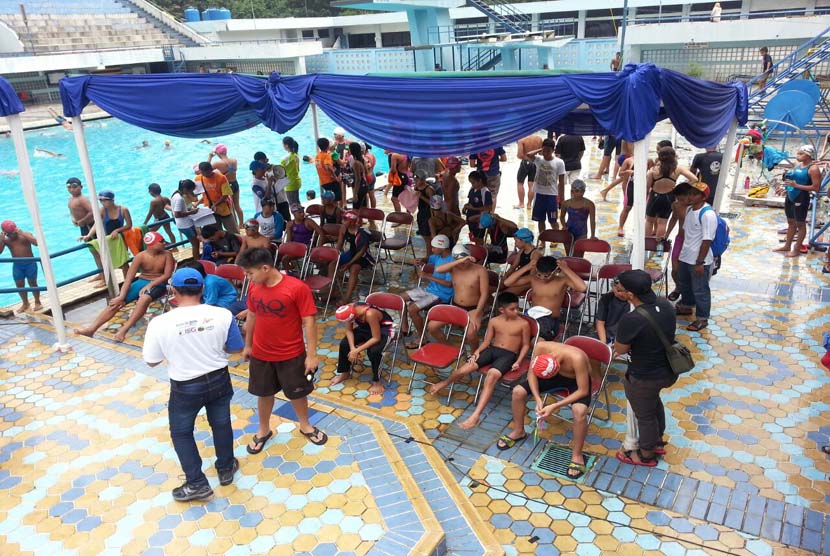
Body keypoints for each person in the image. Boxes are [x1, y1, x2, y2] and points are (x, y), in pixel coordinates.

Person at [142, 268, 244, 501]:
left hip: (185, 385)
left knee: (181, 432)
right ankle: (226, 467)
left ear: (173, 291)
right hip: (219, 378)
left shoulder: (160, 323)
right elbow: (236, 348)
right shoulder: (222, 315)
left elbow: (151, 361)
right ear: (202, 289)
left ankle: (197, 483)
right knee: (221, 423)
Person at [237, 247, 327, 453]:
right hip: (261, 353)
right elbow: (251, 315)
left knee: (297, 393)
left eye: (250, 273)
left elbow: (309, 321)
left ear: (266, 268)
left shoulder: (296, 288)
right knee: (263, 393)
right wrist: (248, 345)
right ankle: (263, 430)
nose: (247, 278)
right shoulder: (254, 287)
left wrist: (312, 355)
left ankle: (305, 425)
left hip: (291, 354)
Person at [429, 292, 531, 429]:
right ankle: (445, 382)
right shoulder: (494, 321)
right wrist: (476, 353)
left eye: (517, 308)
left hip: (508, 355)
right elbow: (487, 341)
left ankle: (475, 415)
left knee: (491, 377)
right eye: (512, 309)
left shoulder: (523, 324)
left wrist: (518, 361)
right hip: (492, 350)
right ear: (502, 310)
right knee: (464, 368)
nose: (516, 311)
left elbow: (525, 345)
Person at [613, 269, 677, 467]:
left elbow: (620, 349)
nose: (617, 291)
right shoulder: (665, 304)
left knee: (645, 415)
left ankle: (646, 454)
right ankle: (657, 440)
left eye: (620, 289)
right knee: (653, 403)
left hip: (644, 376)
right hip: (668, 369)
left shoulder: (632, 319)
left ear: (630, 295)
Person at [501, 342, 593, 479]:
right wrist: (538, 399)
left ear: (557, 368)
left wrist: (554, 406)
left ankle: (577, 455)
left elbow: (583, 390)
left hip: (577, 382)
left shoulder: (577, 358)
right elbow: (532, 375)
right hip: (552, 376)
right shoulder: (541, 347)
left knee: (579, 412)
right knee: (518, 392)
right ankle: (518, 431)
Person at [75, 232, 175, 342]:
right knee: (116, 303)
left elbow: (167, 275)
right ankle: (91, 329)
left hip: (158, 282)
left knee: (144, 299)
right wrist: (121, 296)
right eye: (161, 241)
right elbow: (128, 279)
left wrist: (150, 285)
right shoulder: (140, 257)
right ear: (151, 244)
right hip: (141, 281)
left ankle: (123, 331)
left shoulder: (167, 255)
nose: (164, 243)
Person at [503, 256, 586, 341]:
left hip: (550, 320)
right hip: (532, 316)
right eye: (539, 274)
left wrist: (566, 269)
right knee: (511, 334)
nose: (542, 278)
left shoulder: (562, 281)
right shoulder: (533, 278)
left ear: (556, 271)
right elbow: (507, 282)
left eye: (546, 276)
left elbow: (583, 287)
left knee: (535, 341)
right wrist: (527, 267)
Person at [673, 181, 718, 332]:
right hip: (686, 256)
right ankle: (686, 306)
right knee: (685, 283)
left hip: (699, 260)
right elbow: (686, 233)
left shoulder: (708, 214)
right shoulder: (689, 210)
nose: (690, 197)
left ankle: (702, 318)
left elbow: (707, 240)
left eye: (695, 194)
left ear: (703, 196)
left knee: (700, 289)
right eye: (690, 193)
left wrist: (700, 262)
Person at [401, 234, 454, 347]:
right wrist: (421, 260)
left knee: (412, 309)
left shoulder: (451, 262)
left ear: (443, 248)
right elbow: (429, 258)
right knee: (400, 299)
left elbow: (449, 284)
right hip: (430, 289)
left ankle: (422, 338)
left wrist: (427, 276)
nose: (432, 249)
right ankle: (405, 328)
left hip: (441, 294)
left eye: (434, 247)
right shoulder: (438, 256)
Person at [331, 302, 395, 396]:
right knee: (345, 344)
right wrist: (353, 349)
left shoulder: (370, 314)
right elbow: (349, 330)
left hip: (383, 330)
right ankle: (345, 373)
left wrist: (357, 350)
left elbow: (376, 338)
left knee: (374, 352)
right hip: (366, 328)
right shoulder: (349, 309)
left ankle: (377, 381)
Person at [434, 244, 490, 349]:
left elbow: (484, 294)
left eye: (465, 262)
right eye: (460, 263)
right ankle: (449, 348)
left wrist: (478, 313)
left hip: (473, 308)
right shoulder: (453, 268)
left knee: (470, 333)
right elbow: (438, 270)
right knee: (432, 327)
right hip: (455, 306)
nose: (462, 265)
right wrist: (459, 261)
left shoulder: (480, 270)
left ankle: (474, 355)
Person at [775, 144, 821, 259]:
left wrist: (797, 186)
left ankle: (796, 249)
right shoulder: (797, 165)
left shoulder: (813, 169)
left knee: (800, 224)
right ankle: (787, 246)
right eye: (798, 153)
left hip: (801, 197)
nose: (798, 156)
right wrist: (784, 184)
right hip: (791, 196)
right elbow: (792, 180)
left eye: (801, 154)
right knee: (791, 222)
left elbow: (816, 188)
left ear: (809, 155)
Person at [80, 189, 132, 284]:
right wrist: (88, 235)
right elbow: (97, 224)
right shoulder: (102, 210)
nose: (102, 203)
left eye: (105, 200)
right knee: (107, 261)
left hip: (120, 239)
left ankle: (128, 284)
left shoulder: (123, 210)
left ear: (112, 200)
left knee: (124, 264)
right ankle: (107, 281)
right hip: (108, 240)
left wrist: (117, 230)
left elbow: (129, 225)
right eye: (101, 200)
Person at [646, 147, 697, 238]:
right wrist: (680, 188)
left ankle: (645, 244)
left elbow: (647, 187)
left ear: (660, 157)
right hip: (669, 196)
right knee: (662, 222)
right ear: (673, 156)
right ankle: (659, 247)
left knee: (649, 221)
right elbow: (694, 179)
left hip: (655, 195)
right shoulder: (678, 169)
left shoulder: (653, 170)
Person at [0, 221, 41, 312]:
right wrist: (1, 240)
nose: (12, 236)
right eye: (9, 234)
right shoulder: (6, 240)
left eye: (13, 233)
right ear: (5, 233)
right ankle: (25, 303)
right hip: (17, 265)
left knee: (32, 283)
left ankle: (38, 302)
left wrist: (22, 233)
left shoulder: (25, 235)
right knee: (19, 284)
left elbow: (37, 243)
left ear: (16, 229)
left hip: (30, 263)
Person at [336, 210, 375, 302]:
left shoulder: (362, 233)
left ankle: (347, 297)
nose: (343, 221)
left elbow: (361, 252)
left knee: (353, 269)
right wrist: (335, 256)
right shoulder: (343, 228)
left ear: (352, 222)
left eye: (345, 219)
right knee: (332, 263)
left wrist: (348, 264)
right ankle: (333, 290)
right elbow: (339, 244)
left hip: (363, 257)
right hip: (351, 253)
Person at [528, 139, 566, 235]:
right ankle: (542, 240)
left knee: (553, 220)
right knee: (540, 220)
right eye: (544, 150)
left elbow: (561, 182)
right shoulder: (538, 159)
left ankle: (555, 238)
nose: (545, 153)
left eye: (548, 151)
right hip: (539, 194)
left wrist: (562, 198)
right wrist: (540, 149)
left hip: (552, 195)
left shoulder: (559, 162)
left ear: (553, 150)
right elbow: (528, 154)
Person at [196, 161, 238, 234]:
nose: (205, 175)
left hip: (223, 209)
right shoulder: (198, 178)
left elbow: (225, 195)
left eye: (206, 172)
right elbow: (199, 193)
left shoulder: (221, 178)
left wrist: (215, 204)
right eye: (202, 172)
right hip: (209, 210)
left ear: (211, 170)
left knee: (233, 231)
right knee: (215, 233)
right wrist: (196, 203)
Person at [208, 144, 243, 227]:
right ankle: (241, 224)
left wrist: (210, 157)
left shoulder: (218, 163)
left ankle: (235, 226)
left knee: (231, 208)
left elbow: (206, 169)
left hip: (227, 186)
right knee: (237, 206)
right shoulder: (234, 160)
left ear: (217, 153)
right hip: (235, 184)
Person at [503, 227, 540, 295]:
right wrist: (506, 275)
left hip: (528, 281)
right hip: (519, 276)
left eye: (516, 241)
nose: (515, 243)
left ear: (523, 241)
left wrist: (515, 282)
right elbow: (514, 266)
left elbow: (531, 276)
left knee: (506, 294)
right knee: (499, 286)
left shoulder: (535, 254)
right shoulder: (522, 250)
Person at [596, 275, 631, 345]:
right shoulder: (606, 299)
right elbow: (600, 323)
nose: (616, 291)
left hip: (625, 339)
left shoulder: (634, 302)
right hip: (607, 335)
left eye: (619, 290)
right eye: (614, 286)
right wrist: (603, 343)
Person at [171, 179, 201, 260]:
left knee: (196, 242)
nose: (190, 192)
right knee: (195, 244)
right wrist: (191, 212)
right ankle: (197, 260)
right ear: (185, 189)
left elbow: (179, 210)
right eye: (190, 190)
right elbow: (177, 214)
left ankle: (197, 259)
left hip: (185, 224)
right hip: (185, 225)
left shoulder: (176, 194)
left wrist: (188, 210)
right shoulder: (179, 199)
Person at [464, 170, 493, 244]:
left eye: (473, 182)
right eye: (471, 183)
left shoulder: (485, 192)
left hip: (479, 220)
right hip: (471, 219)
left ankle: (480, 253)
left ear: (480, 181)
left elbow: (488, 207)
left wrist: (473, 209)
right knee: (474, 238)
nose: (472, 184)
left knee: (479, 239)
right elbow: (470, 202)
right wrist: (465, 207)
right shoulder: (472, 190)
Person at [515, 134, 543, 209]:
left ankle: (521, 203)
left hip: (525, 163)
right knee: (532, 184)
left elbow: (519, 155)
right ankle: (529, 204)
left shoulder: (522, 139)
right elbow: (541, 154)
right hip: (535, 163)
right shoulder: (539, 138)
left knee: (520, 182)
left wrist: (526, 158)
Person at [413, 170, 437, 251]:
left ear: (423, 180)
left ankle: (430, 255)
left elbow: (435, 204)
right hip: (421, 214)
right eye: (414, 179)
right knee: (424, 236)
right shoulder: (416, 188)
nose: (415, 181)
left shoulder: (429, 189)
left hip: (429, 215)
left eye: (417, 179)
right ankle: (429, 254)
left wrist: (421, 197)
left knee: (429, 237)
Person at [315, 138, 343, 205]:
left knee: (329, 200)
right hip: (331, 181)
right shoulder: (327, 155)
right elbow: (328, 166)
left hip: (323, 182)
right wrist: (335, 177)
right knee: (335, 200)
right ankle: (335, 213)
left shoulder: (317, 155)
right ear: (328, 146)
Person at [281, 136, 302, 206]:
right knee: (297, 202)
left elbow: (279, 170)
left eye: (283, 144)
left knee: (293, 205)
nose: (283, 146)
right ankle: (301, 215)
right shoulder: (296, 154)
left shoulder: (286, 158)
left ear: (286, 145)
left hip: (290, 184)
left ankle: (299, 216)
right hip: (296, 181)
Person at [348, 142, 369, 210]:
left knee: (356, 210)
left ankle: (360, 221)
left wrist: (355, 194)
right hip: (364, 185)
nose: (348, 150)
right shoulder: (362, 160)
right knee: (364, 208)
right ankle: (369, 220)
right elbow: (366, 172)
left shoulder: (355, 163)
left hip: (359, 187)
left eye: (349, 149)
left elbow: (358, 179)